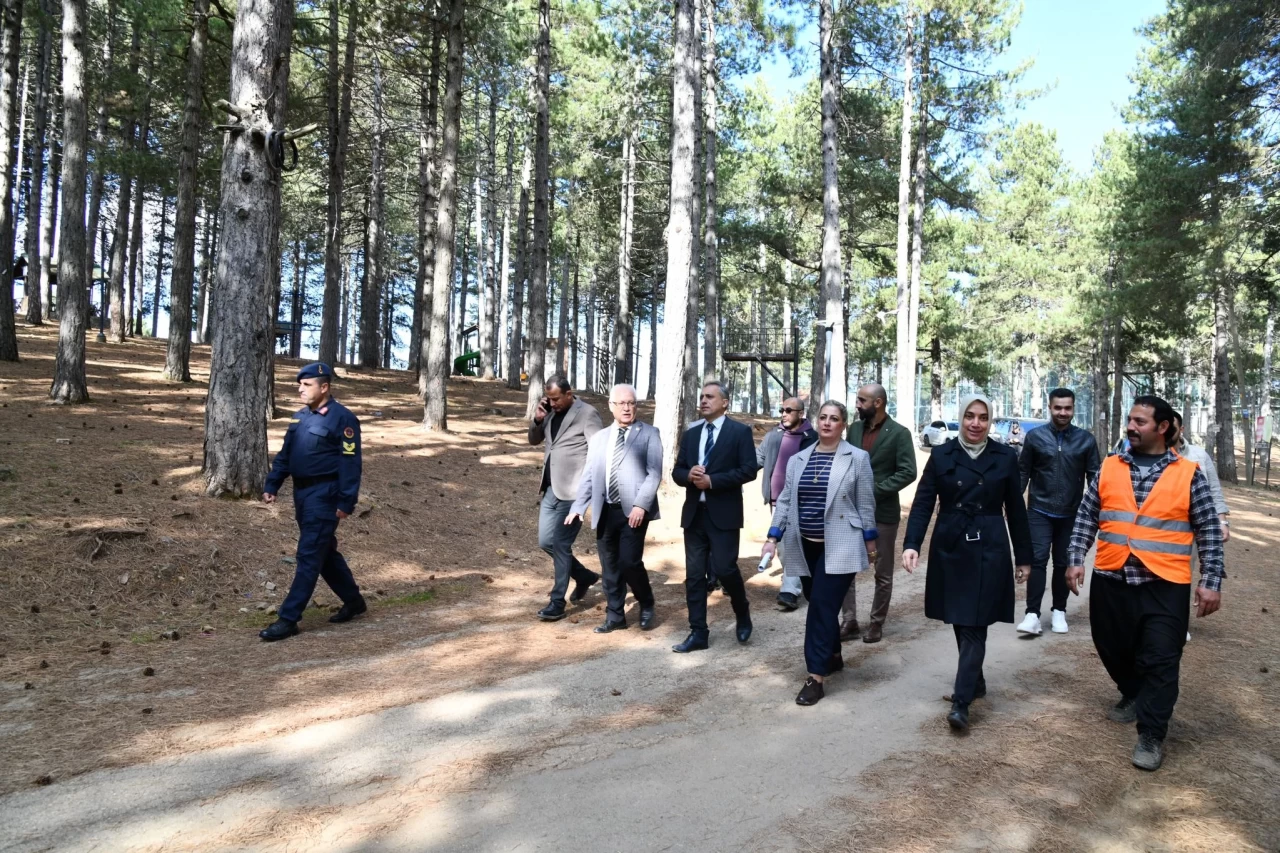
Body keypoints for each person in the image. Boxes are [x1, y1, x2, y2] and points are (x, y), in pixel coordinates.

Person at [1066, 396, 1224, 771]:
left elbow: (1209, 532)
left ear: (1163, 427)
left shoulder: (1189, 473)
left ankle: (1151, 733)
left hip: (1164, 583)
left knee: (1161, 659)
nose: (1131, 427)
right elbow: (1087, 516)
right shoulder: (1109, 467)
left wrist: (1211, 581)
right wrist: (1074, 560)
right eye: (1130, 420)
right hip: (1112, 576)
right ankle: (1133, 692)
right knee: (1111, 646)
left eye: (1140, 421)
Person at [902, 394, 1032, 732]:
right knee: (961, 616)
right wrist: (912, 543)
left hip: (989, 542)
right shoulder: (943, 454)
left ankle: (961, 702)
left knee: (975, 621)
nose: (976, 423)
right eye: (970, 416)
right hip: (951, 540)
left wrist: (1025, 558)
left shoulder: (1005, 457)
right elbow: (923, 502)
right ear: (960, 418)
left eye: (983, 417)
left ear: (991, 422)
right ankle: (974, 680)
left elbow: (1016, 511)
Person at [761, 402, 878, 705]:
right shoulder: (799, 458)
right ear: (817, 422)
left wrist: (871, 542)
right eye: (823, 417)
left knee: (820, 609)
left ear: (843, 425)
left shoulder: (857, 458)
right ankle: (834, 653)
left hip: (841, 543)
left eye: (834, 419)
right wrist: (772, 538)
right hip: (805, 544)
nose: (827, 423)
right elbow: (785, 502)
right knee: (817, 600)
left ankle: (816, 677)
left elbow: (865, 503)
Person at [259, 363, 366, 642]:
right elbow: (285, 456)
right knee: (324, 553)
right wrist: (273, 484)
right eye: (300, 384)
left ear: (324, 387)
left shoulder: (343, 419)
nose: (300, 389)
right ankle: (354, 602)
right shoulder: (299, 418)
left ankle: (288, 618)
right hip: (302, 494)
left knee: (308, 554)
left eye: (307, 385)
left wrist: (346, 500)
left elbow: (350, 464)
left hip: (325, 495)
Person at [671, 381, 760, 653]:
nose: (704, 401)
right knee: (695, 576)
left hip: (724, 514)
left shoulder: (739, 432)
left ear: (724, 402)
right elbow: (677, 471)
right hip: (694, 515)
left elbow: (749, 471)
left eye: (710, 397)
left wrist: (712, 481)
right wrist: (689, 475)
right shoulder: (692, 433)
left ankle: (742, 612)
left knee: (725, 569)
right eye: (701, 397)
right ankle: (698, 632)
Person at [566, 384, 661, 632]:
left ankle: (646, 601)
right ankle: (615, 615)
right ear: (611, 406)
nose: (627, 408)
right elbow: (589, 476)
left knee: (630, 562)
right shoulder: (599, 438)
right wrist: (578, 507)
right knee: (609, 566)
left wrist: (642, 505)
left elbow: (654, 474)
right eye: (622, 403)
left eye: (631, 403)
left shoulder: (650, 433)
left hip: (634, 511)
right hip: (604, 510)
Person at [1016, 388, 1102, 637]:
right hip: (1039, 510)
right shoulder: (1035, 437)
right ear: (1050, 407)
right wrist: (1013, 502)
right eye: (1058, 408)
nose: (1063, 412)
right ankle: (1032, 614)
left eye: (1067, 408)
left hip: (1071, 512)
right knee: (1038, 560)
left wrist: (1095, 510)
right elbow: (1023, 471)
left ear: (1074, 409)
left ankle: (1059, 611)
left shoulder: (1086, 440)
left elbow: (1095, 477)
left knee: (1064, 562)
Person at [842, 382, 918, 644]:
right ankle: (849, 621)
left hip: (882, 512)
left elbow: (908, 471)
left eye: (862, 400)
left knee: (882, 572)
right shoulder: (853, 430)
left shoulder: (899, 433)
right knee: (845, 569)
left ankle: (876, 623)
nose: (857, 405)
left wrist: (874, 491)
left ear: (878, 403)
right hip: (850, 512)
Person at [529, 373, 602, 621]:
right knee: (545, 542)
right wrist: (538, 420)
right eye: (549, 399)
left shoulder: (587, 414)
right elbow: (534, 440)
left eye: (557, 398)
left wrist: (589, 489)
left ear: (569, 394)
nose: (553, 403)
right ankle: (584, 576)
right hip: (550, 489)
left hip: (574, 493)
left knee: (560, 544)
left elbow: (598, 452)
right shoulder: (548, 413)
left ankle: (556, 602)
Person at [756, 397, 818, 611]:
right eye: (781, 409)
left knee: (790, 544)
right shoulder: (774, 435)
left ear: (801, 413)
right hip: (776, 500)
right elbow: (757, 459)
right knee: (784, 544)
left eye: (788, 410)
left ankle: (790, 590)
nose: (783, 413)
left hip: (803, 501)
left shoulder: (813, 438)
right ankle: (794, 585)